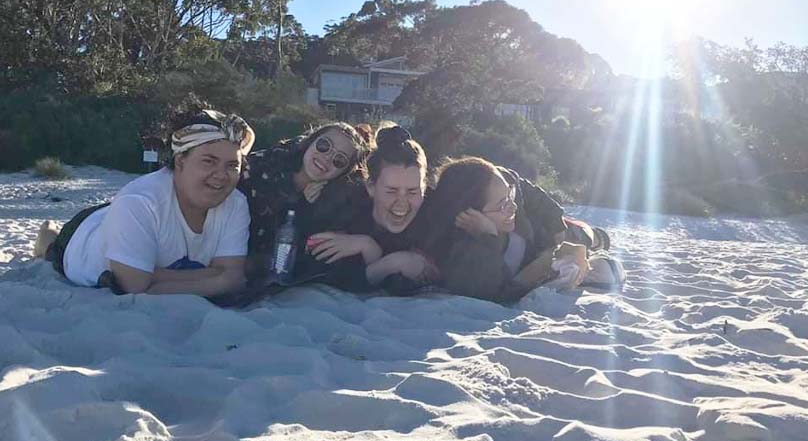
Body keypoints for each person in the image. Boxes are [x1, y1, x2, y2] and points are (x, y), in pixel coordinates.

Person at [40, 109, 255, 296]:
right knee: (51, 249)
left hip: (123, 216)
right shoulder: (139, 203)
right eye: (209, 161)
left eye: (231, 166)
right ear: (180, 160)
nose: (221, 175)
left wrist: (153, 276)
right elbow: (134, 287)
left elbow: (233, 277)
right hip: (83, 237)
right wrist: (218, 279)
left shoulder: (235, 202)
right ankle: (48, 234)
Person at [421, 156, 611, 303]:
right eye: (503, 204)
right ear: (469, 214)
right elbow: (490, 289)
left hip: (550, 230)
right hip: (540, 244)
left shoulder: (498, 182)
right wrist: (488, 236)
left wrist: (555, 223)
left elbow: (522, 187)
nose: (513, 207)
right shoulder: (463, 250)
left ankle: (597, 237)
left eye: (509, 196)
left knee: (584, 235)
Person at [307, 125, 437, 294]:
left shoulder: (432, 220)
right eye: (391, 191)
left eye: (413, 191)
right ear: (371, 187)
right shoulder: (343, 209)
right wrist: (373, 251)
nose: (402, 203)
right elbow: (320, 276)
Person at [238, 122, 371, 283]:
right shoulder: (263, 166)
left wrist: (304, 208)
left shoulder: (334, 205)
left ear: (343, 173)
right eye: (324, 145)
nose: (327, 157)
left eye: (339, 160)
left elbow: (301, 259)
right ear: (310, 141)